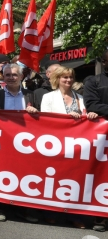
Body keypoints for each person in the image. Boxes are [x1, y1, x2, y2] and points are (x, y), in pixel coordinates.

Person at [42, 66, 98, 229]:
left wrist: (91, 116)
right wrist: (66, 118)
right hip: (56, 145)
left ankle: (75, 216)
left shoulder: (80, 98)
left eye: (70, 77)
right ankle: (51, 213)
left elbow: (86, 120)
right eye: (64, 77)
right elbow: (45, 119)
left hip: (77, 147)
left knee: (75, 181)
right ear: (57, 79)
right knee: (55, 179)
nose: (68, 80)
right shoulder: (48, 97)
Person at [0, 63, 38, 223]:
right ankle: (0, 208)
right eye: (7, 75)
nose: (10, 78)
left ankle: (22, 209)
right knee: (2, 175)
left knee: (24, 175)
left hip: (26, 143)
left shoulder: (32, 96)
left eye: (14, 75)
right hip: (3, 143)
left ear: (21, 76)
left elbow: (43, 119)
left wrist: (36, 113)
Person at [83, 49, 108, 232]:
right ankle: (101, 218)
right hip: (102, 139)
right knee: (102, 176)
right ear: (104, 62)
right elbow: (92, 104)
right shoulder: (93, 81)